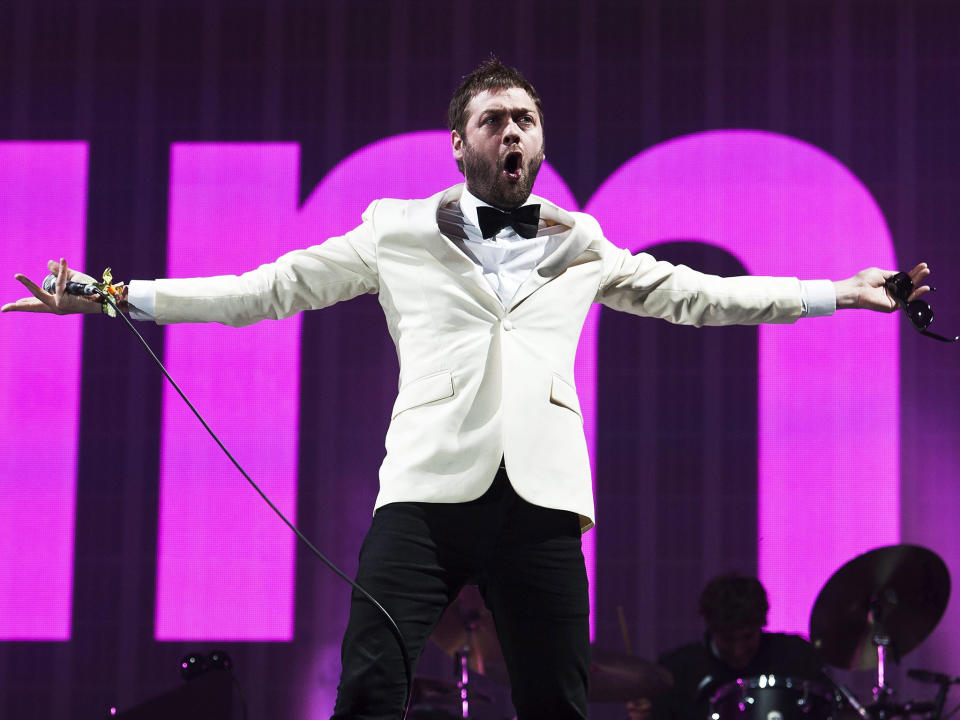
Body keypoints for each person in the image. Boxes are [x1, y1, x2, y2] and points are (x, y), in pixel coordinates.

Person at [3, 58, 931, 720]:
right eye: (494, 119)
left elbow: (702, 296)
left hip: (541, 502)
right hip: (426, 493)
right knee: (369, 686)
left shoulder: (580, 241)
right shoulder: (395, 230)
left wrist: (837, 293)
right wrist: (118, 294)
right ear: (460, 144)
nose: (513, 131)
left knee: (555, 703)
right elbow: (264, 289)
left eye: (525, 118)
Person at [628, 575, 825, 720]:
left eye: (747, 638)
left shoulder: (795, 656)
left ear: (761, 626)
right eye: (728, 640)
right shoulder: (678, 670)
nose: (738, 650)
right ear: (711, 630)